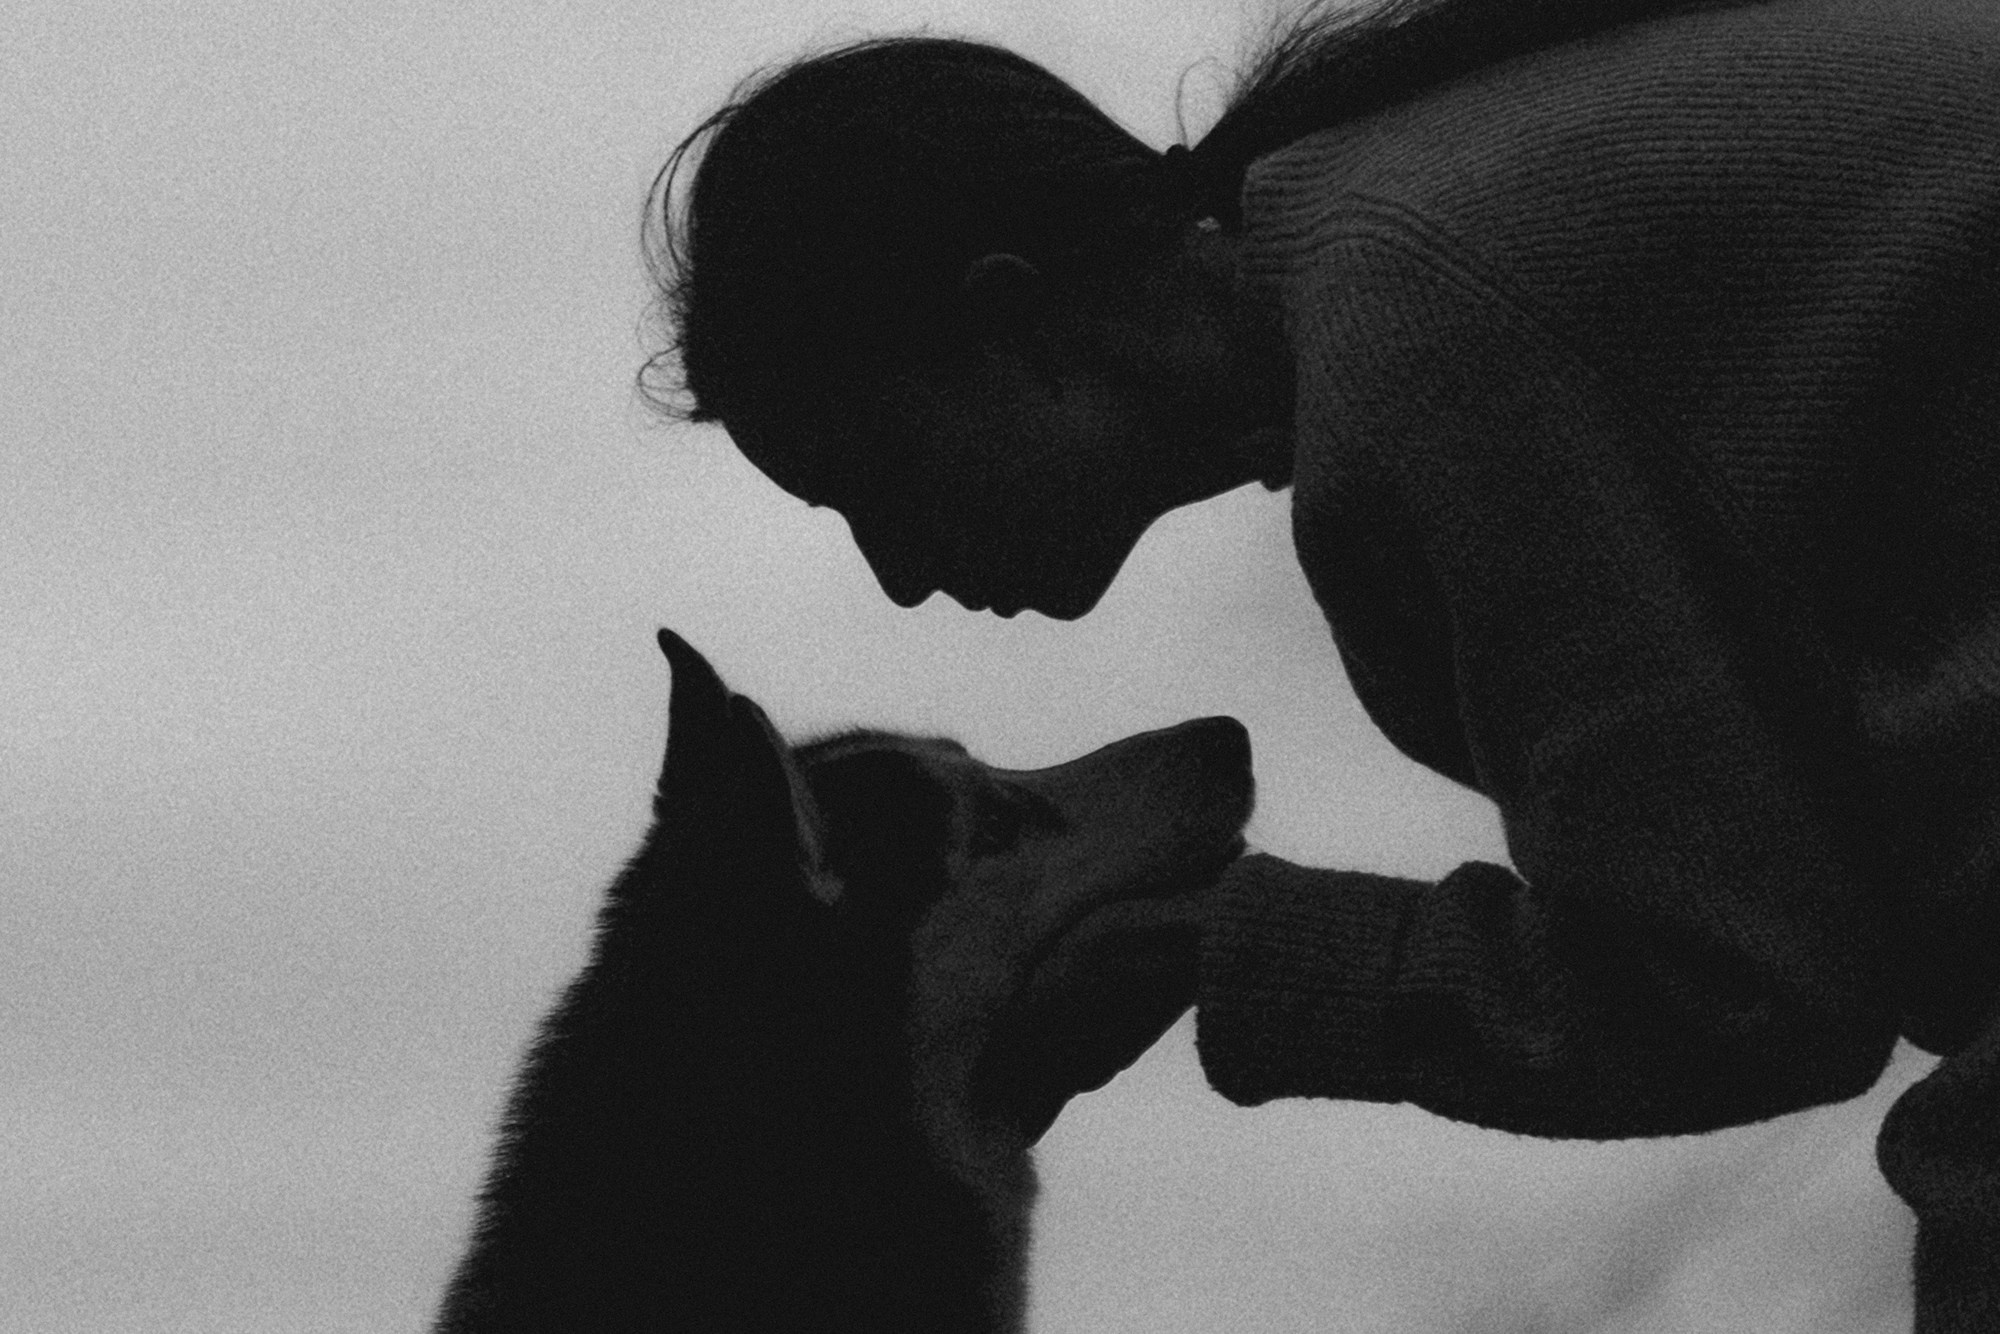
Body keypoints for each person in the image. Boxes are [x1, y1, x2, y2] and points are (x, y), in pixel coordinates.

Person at [643, 0, 2000, 1325]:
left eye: (869, 479)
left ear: (1010, 326)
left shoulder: (1422, 332)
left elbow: (1741, 990)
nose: (894, 573)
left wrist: (1198, 950)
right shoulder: (1411, 212)